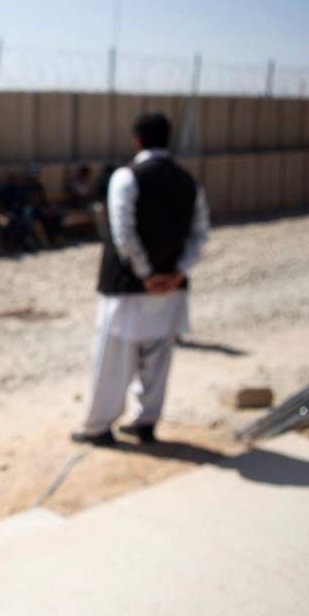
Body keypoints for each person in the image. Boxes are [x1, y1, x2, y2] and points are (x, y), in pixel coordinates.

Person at [72, 112, 210, 446]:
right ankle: (146, 421)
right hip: (170, 289)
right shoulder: (189, 181)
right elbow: (199, 234)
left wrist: (147, 274)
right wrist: (176, 272)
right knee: (157, 358)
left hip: (129, 287)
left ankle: (99, 426)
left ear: (137, 140)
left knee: (112, 360)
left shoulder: (126, 177)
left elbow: (123, 232)